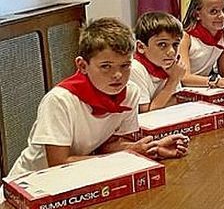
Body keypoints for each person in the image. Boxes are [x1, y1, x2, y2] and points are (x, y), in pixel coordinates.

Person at [5, 18, 188, 181]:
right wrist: (129, 153)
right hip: (32, 181)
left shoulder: (130, 92)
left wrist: (151, 148)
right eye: (106, 66)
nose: (117, 75)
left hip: (82, 176)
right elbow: (59, 163)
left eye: (125, 66)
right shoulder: (60, 100)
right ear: (82, 65)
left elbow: (109, 145)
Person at [130, 11, 185, 112]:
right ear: (141, 47)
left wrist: (158, 103)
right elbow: (147, 112)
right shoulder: (135, 68)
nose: (172, 52)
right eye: (162, 44)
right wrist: (173, 80)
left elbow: (176, 100)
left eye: (175, 44)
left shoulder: (170, 66)